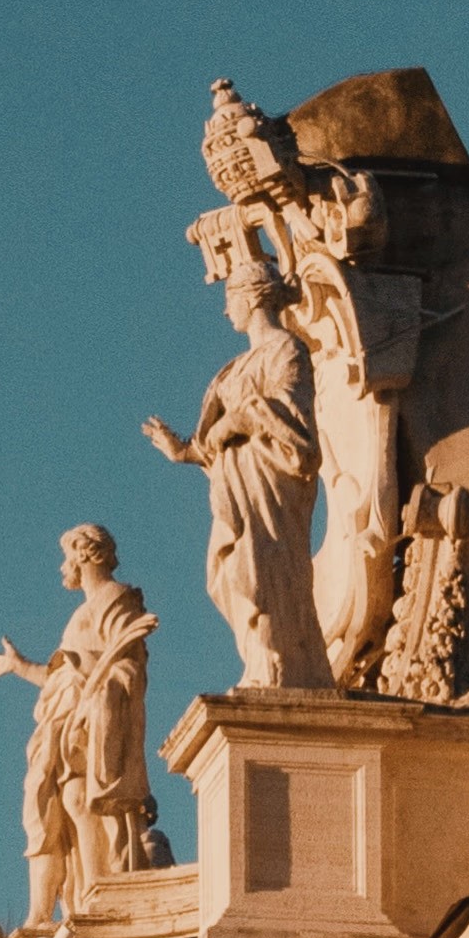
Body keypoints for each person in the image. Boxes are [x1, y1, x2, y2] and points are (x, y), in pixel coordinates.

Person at [145, 259, 330, 691]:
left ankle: (280, 666)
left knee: (262, 569)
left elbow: (294, 420)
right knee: (228, 575)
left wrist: (235, 421)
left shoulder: (287, 350)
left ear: (251, 298)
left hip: (272, 482)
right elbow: (212, 443)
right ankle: (262, 660)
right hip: (237, 484)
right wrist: (183, 451)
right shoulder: (234, 368)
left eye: (230, 300)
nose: (226, 311)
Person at [0, 526, 171, 927]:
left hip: (95, 719)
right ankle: (86, 893)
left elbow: (128, 664)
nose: (62, 566)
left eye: (67, 556)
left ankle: (98, 891)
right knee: (62, 806)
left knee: (82, 799)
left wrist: (101, 696)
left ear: (85, 555)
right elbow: (62, 678)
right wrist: (20, 666)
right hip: (64, 722)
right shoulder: (78, 615)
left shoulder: (116, 598)